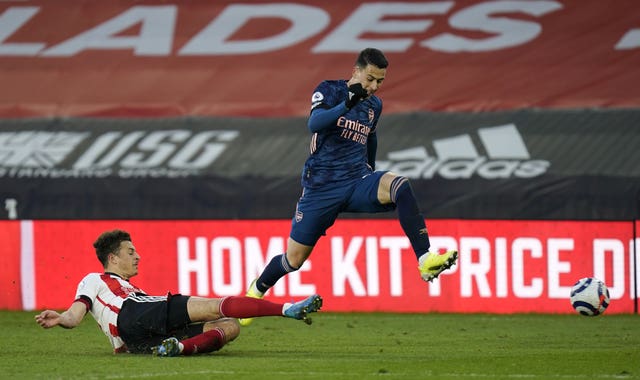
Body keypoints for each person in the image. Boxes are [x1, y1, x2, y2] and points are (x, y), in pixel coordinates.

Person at [239, 48, 457, 326]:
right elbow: (314, 124)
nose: (373, 86)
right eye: (369, 79)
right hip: (321, 189)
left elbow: (371, 136)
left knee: (399, 185)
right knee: (293, 260)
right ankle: (256, 290)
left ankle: (425, 258)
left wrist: (370, 168)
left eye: (379, 81)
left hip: (356, 182)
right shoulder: (329, 90)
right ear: (355, 71)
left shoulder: (374, 105)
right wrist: (347, 104)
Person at [35, 229, 322, 356]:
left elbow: (75, 317)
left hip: (137, 343)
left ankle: (177, 348)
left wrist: (63, 320)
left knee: (230, 326)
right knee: (214, 305)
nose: (137, 257)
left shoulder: (132, 289)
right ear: (112, 259)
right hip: (134, 313)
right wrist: (62, 318)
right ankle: (286, 309)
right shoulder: (96, 280)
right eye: (130, 252)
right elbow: (76, 313)